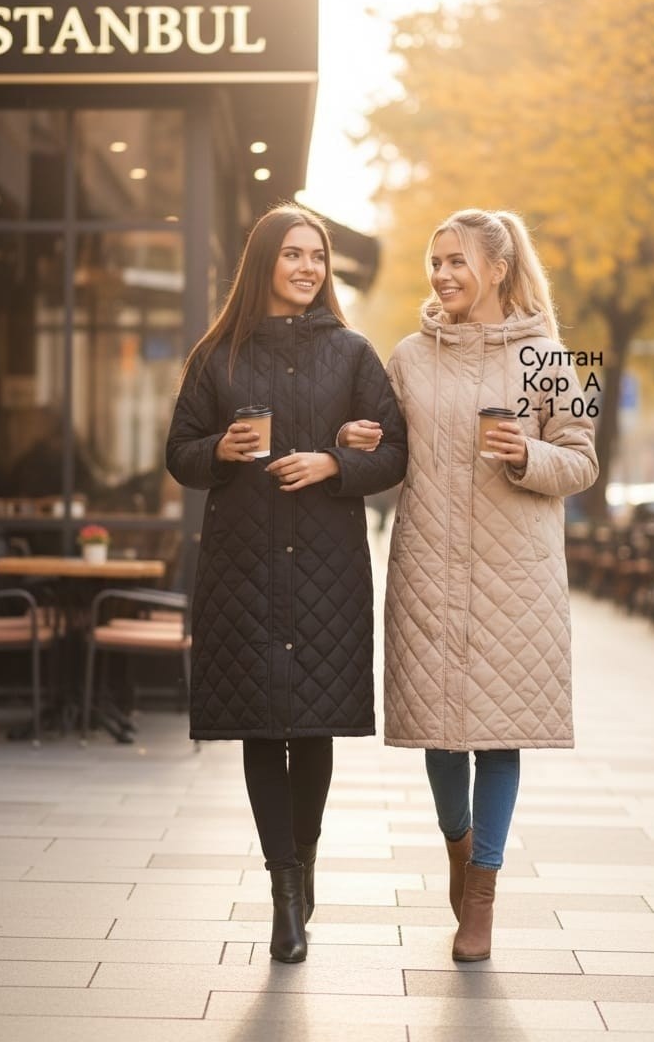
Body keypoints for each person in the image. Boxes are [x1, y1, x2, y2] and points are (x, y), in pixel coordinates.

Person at [166, 204, 407, 964]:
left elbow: (395, 453)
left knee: (316, 726)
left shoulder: (354, 353)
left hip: (328, 569)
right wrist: (220, 449)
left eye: (318, 256)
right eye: (294, 254)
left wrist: (336, 462)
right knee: (263, 727)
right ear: (264, 262)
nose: (308, 268)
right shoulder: (219, 355)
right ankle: (282, 891)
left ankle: (302, 862)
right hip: (243, 566)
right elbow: (179, 452)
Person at [384, 208, 598, 962]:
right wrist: (356, 439)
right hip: (428, 568)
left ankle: (482, 893)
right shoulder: (408, 356)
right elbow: (386, 451)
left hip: (517, 575)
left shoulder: (553, 356)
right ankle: (459, 846)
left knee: (499, 736)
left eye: (457, 261)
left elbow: (583, 460)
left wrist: (527, 455)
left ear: (498, 269)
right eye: (435, 260)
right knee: (439, 732)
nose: (442, 274)